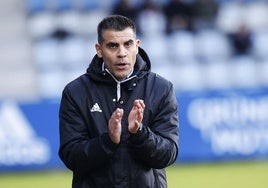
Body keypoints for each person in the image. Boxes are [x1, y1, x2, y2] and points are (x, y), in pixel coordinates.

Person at [58, 15, 179, 188]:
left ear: (136, 46)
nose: (122, 53)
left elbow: (168, 154)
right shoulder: (75, 92)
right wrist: (108, 141)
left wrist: (140, 133)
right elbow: (71, 156)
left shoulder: (161, 89)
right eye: (113, 46)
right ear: (99, 50)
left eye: (127, 44)